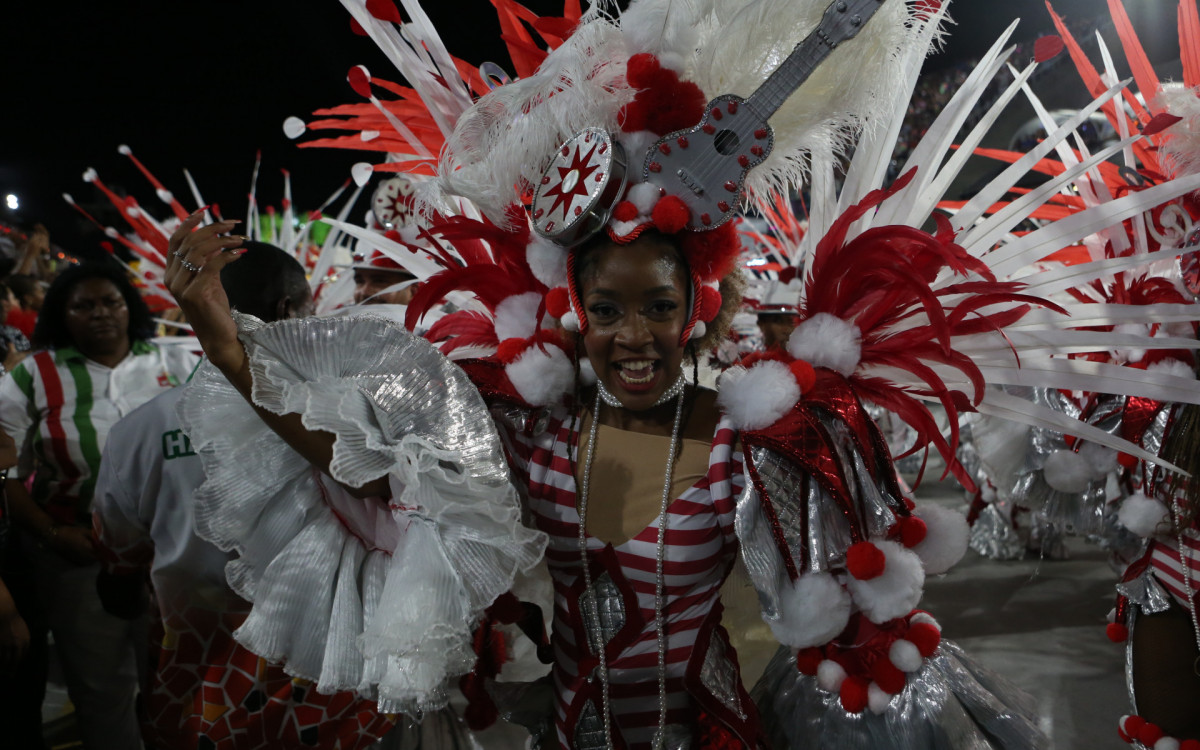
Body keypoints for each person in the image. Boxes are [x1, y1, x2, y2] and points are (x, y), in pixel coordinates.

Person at [90, 242, 411, 750]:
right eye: (309, 307)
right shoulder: (350, 423)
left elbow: (120, 562)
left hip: (196, 704)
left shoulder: (138, 430)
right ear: (288, 310)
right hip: (338, 712)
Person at [0, 262, 198, 750]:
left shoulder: (177, 362)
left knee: (179, 682)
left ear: (129, 307)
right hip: (76, 555)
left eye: (111, 302)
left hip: (174, 557)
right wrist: (51, 533)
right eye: (83, 306)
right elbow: (5, 473)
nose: (100, 314)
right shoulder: (33, 375)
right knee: (100, 688)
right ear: (60, 314)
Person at [5, 274, 44, 339]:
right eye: (41, 292)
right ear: (28, 298)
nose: (44, 296)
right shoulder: (35, 321)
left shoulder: (6, 318)